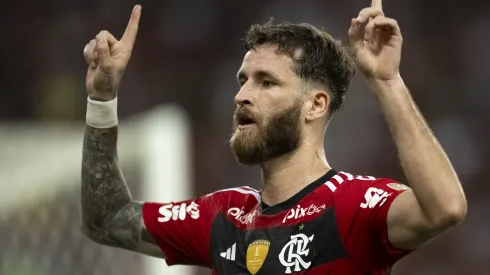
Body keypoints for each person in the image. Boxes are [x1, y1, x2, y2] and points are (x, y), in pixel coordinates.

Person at [81, 1, 467, 274]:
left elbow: (445, 208)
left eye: (266, 82)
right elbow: (107, 220)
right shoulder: (222, 217)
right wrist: (102, 99)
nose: (242, 95)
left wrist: (386, 81)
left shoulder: (353, 207)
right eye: (243, 80)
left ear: (315, 105)